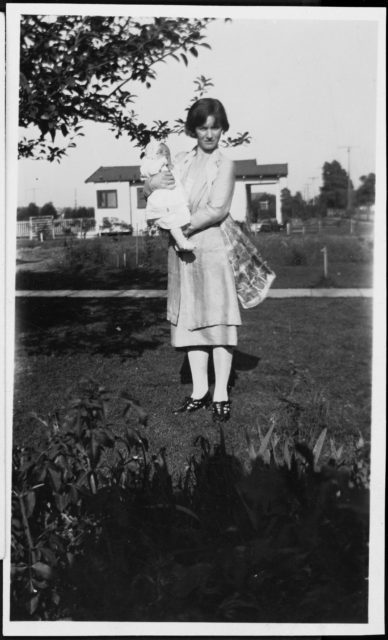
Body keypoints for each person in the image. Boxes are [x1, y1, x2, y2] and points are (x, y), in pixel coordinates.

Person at [144, 98, 241, 422]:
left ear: (222, 128)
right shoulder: (181, 161)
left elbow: (217, 208)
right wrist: (152, 185)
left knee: (217, 322)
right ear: (193, 129)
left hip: (211, 250)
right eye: (203, 127)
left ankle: (221, 395)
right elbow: (156, 185)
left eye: (215, 127)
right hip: (182, 254)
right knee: (191, 324)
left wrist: (178, 224)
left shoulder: (225, 165)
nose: (210, 134)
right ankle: (199, 391)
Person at [140, 139, 196, 252]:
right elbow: (150, 170)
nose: (165, 154)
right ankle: (181, 242)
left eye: (167, 152)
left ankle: (179, 243)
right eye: (161, 152)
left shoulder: (173, 168)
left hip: (174, 203)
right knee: (172, 222)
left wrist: (190, 155)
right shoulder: (152, 166)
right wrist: (161, 162)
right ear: (152, 156)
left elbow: (181, 167)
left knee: (180, 219)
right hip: (162, 204)